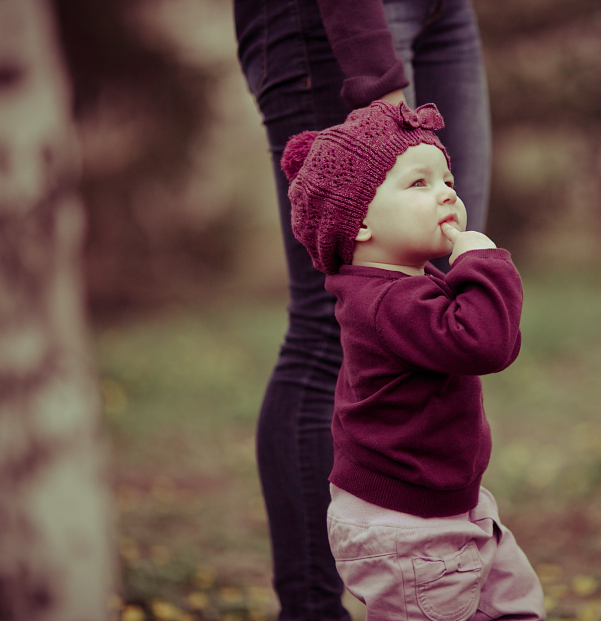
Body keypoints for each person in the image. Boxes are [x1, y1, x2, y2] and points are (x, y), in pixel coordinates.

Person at [232, 1, 491, 619]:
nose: (444, 190)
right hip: (337, 16)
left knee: (444, 278)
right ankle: (321, 602)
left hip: (445, 12)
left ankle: (437, 541)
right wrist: (375, 74)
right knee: (333, 325)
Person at [282, 100, 545, 621]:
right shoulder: (386, 304)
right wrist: (483, 262)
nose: (447, 192)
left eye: (447, 179)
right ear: (359, 223)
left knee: (514, 606)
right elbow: (487, 344)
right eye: (419, 183)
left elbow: (498, 339)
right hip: (408, 527)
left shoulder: (407, 286)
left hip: (446, 506)